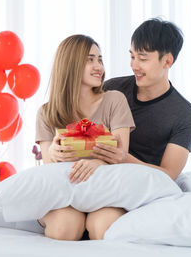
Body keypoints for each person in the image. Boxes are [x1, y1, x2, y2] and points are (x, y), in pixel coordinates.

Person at [35, 34, 135, 240]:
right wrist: (53, 154)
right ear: (70, 64)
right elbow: (48, 166)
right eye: (90, 60)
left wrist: (98, 162)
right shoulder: (46, 112)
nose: (98, 66)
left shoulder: (114, 100)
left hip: (105, 193)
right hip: (64, 195)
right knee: (65, 229)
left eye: (100, 59)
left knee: (103, 227)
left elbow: (120, 154)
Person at [92, 18, 191, 181]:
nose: (134, 65)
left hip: (142, 185)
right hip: (99, 175)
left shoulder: (184, 115)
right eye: (132, 56)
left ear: (167, 61)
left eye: (142, 59)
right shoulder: (112, 88)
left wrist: (124, 158)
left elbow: (169, 174)